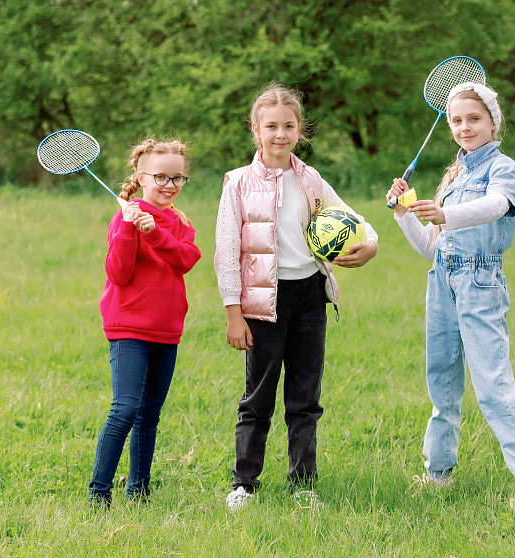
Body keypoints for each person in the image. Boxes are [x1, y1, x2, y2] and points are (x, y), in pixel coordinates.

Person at [387, 82, 515, 506]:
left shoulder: (503, 169)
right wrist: (403, 214)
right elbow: (432, 245)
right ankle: (438, 473)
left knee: (492, 386)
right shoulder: (453, 175)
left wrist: (446, 213)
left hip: (479, 282)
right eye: (457, 120)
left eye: (474, 119)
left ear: (492, 122)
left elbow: (497, 206)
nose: (465, 127)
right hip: (441, 279)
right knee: (441, 383)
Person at [215, 84, 379, 511]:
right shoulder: (237, 184)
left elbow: (353, 217)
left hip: (309, 296)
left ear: (300, 129)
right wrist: (234, 313)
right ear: (255, 130)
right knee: (259, 396)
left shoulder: (310, 179)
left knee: (305, 397)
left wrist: (372, 243)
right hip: (262, 302)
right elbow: (226, 252)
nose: (280, 134)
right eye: (271, 126)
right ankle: (244, 484)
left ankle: (303, 484)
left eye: (288, 126)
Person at [88, 138, 202, 506]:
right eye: (161, 177)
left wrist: (156, 233)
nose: (170, 186)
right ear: (141, 176)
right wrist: (128, 229)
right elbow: (118, 274)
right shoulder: (125, 217)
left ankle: (138, 491)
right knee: (125, 408)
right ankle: (98, 493)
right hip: (129, 328)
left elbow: (185, 259)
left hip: (167, 329)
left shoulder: (179, 222)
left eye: (178, 178)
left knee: (149, 415)